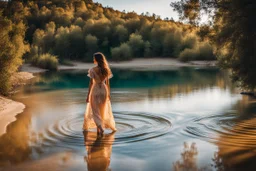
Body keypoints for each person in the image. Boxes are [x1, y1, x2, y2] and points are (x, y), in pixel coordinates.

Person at [83, 52, 117, 136]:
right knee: (102, 110)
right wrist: (108, 94)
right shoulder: (106, 69)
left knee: (95, 111)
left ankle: (100, 128)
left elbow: (91, 84)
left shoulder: (92, 70)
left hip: (95, 90)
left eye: (94, 58)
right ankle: (99, 130)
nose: (93, 59)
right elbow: (108, 84)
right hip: (104, 91)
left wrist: (88, 96)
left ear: (96, 59)